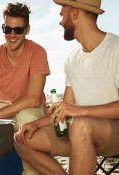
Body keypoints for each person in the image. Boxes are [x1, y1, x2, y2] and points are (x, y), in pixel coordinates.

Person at [14, 0, 119, 174]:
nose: (60, 21)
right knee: (22, 139)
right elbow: (66, 109)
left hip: (113, 133)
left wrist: (79, 111)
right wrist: (36, 123)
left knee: (80, 125)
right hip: (79, 131)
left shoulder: (116, 49)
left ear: (75, 14)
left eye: (62, 14)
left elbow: (76, 111)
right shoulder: (71, 60)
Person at [0, 2, 50, 175]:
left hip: (29, 108)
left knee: (27, 119)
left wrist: (0, 114)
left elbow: (34, 98)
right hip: (1, 107)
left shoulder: (37, 53)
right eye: (8, 29)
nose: (12, 35)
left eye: (18, 30)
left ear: (27, 29)